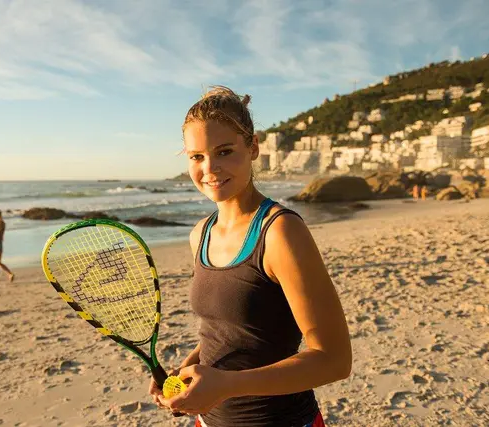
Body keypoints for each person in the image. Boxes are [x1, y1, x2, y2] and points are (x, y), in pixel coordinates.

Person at [149, 86, 352, 426]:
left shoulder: (280, 232)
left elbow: (334, 360)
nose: (210, 168)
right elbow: (226, 333)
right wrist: (187, 373)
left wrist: (227, 386)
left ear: (253, 147)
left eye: (224, 151)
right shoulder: (200, 233)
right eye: (196, 156)